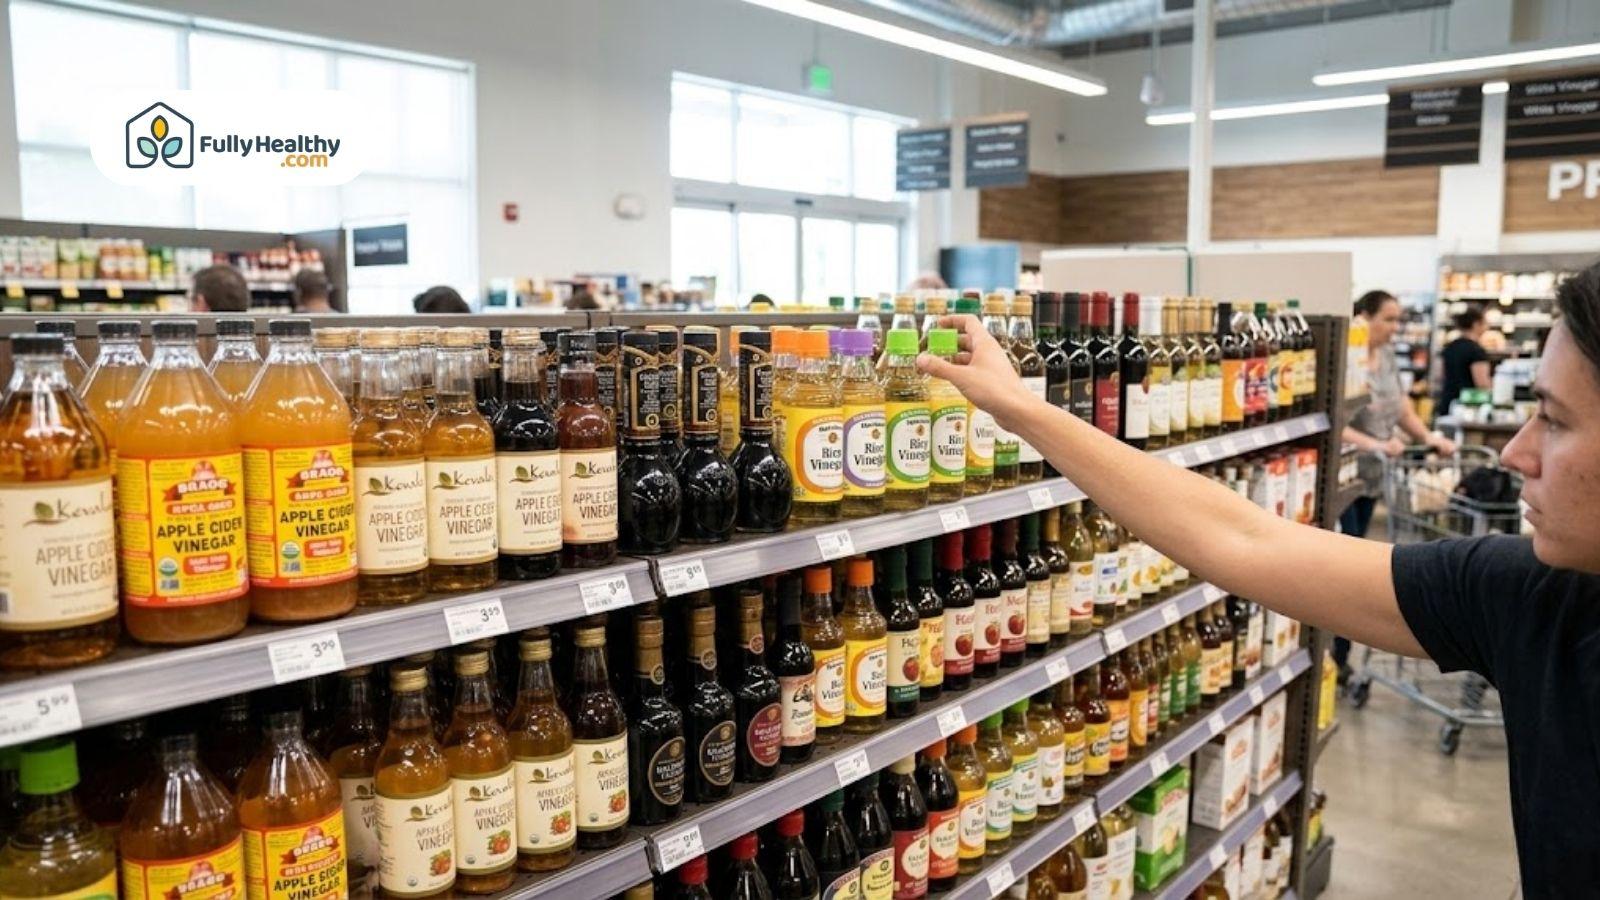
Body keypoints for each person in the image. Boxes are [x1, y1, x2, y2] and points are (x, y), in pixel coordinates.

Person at [916, 262, 1600, 894]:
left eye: (1555, 420)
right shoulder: (1536, 597)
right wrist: (1023, 410)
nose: (1516, 452)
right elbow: (1244, 538)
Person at [1437, 305, 1492, 414]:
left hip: (1447, 404)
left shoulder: (1449, 347)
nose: (1487, 327)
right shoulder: (1476, 351)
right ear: (1476, 324)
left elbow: (1441, 376)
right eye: (1485, 323)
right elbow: (1482, 384)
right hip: (1468, 408)